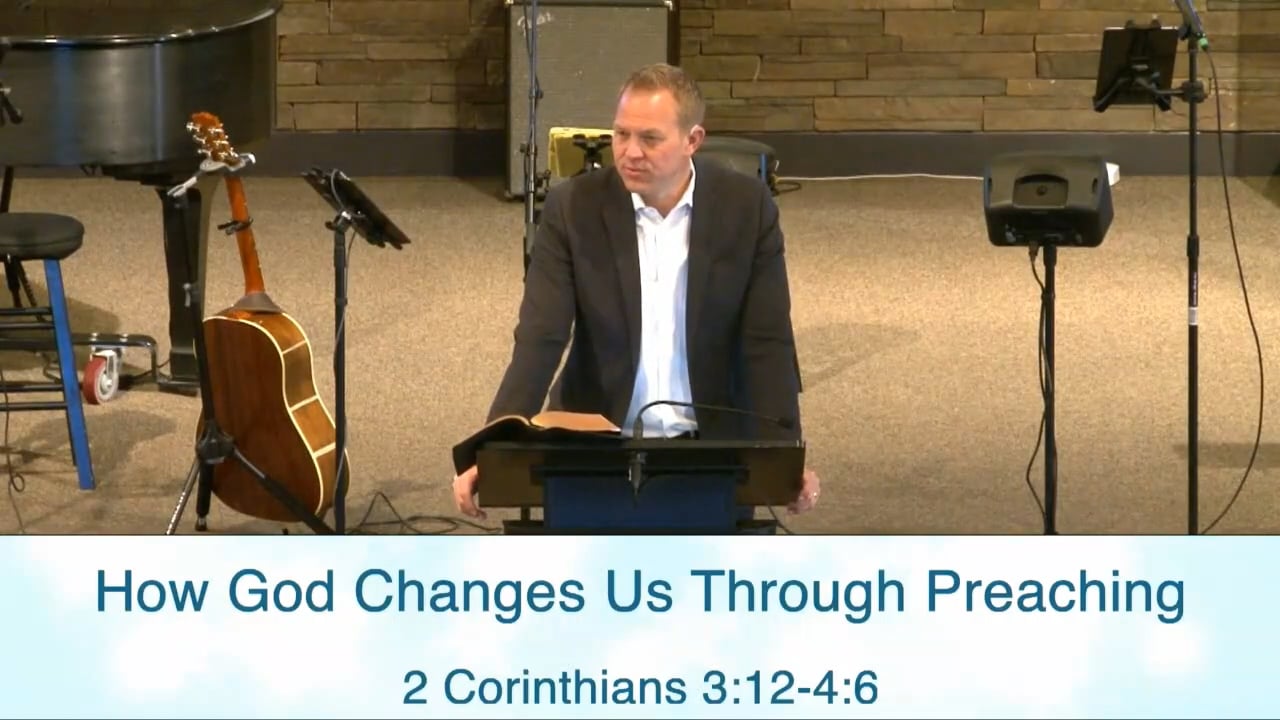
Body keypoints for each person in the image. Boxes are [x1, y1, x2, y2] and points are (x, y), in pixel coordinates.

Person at [452, 63, 820, 519]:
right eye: (621, 134)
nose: (629, 152)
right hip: (596, 440)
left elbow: (767, 340)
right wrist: (491, 448)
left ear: (692, 140)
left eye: (649, 138)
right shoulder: (573, 207)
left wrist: (784, 457)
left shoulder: (746, 206)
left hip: (712, 444)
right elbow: (540, 338)